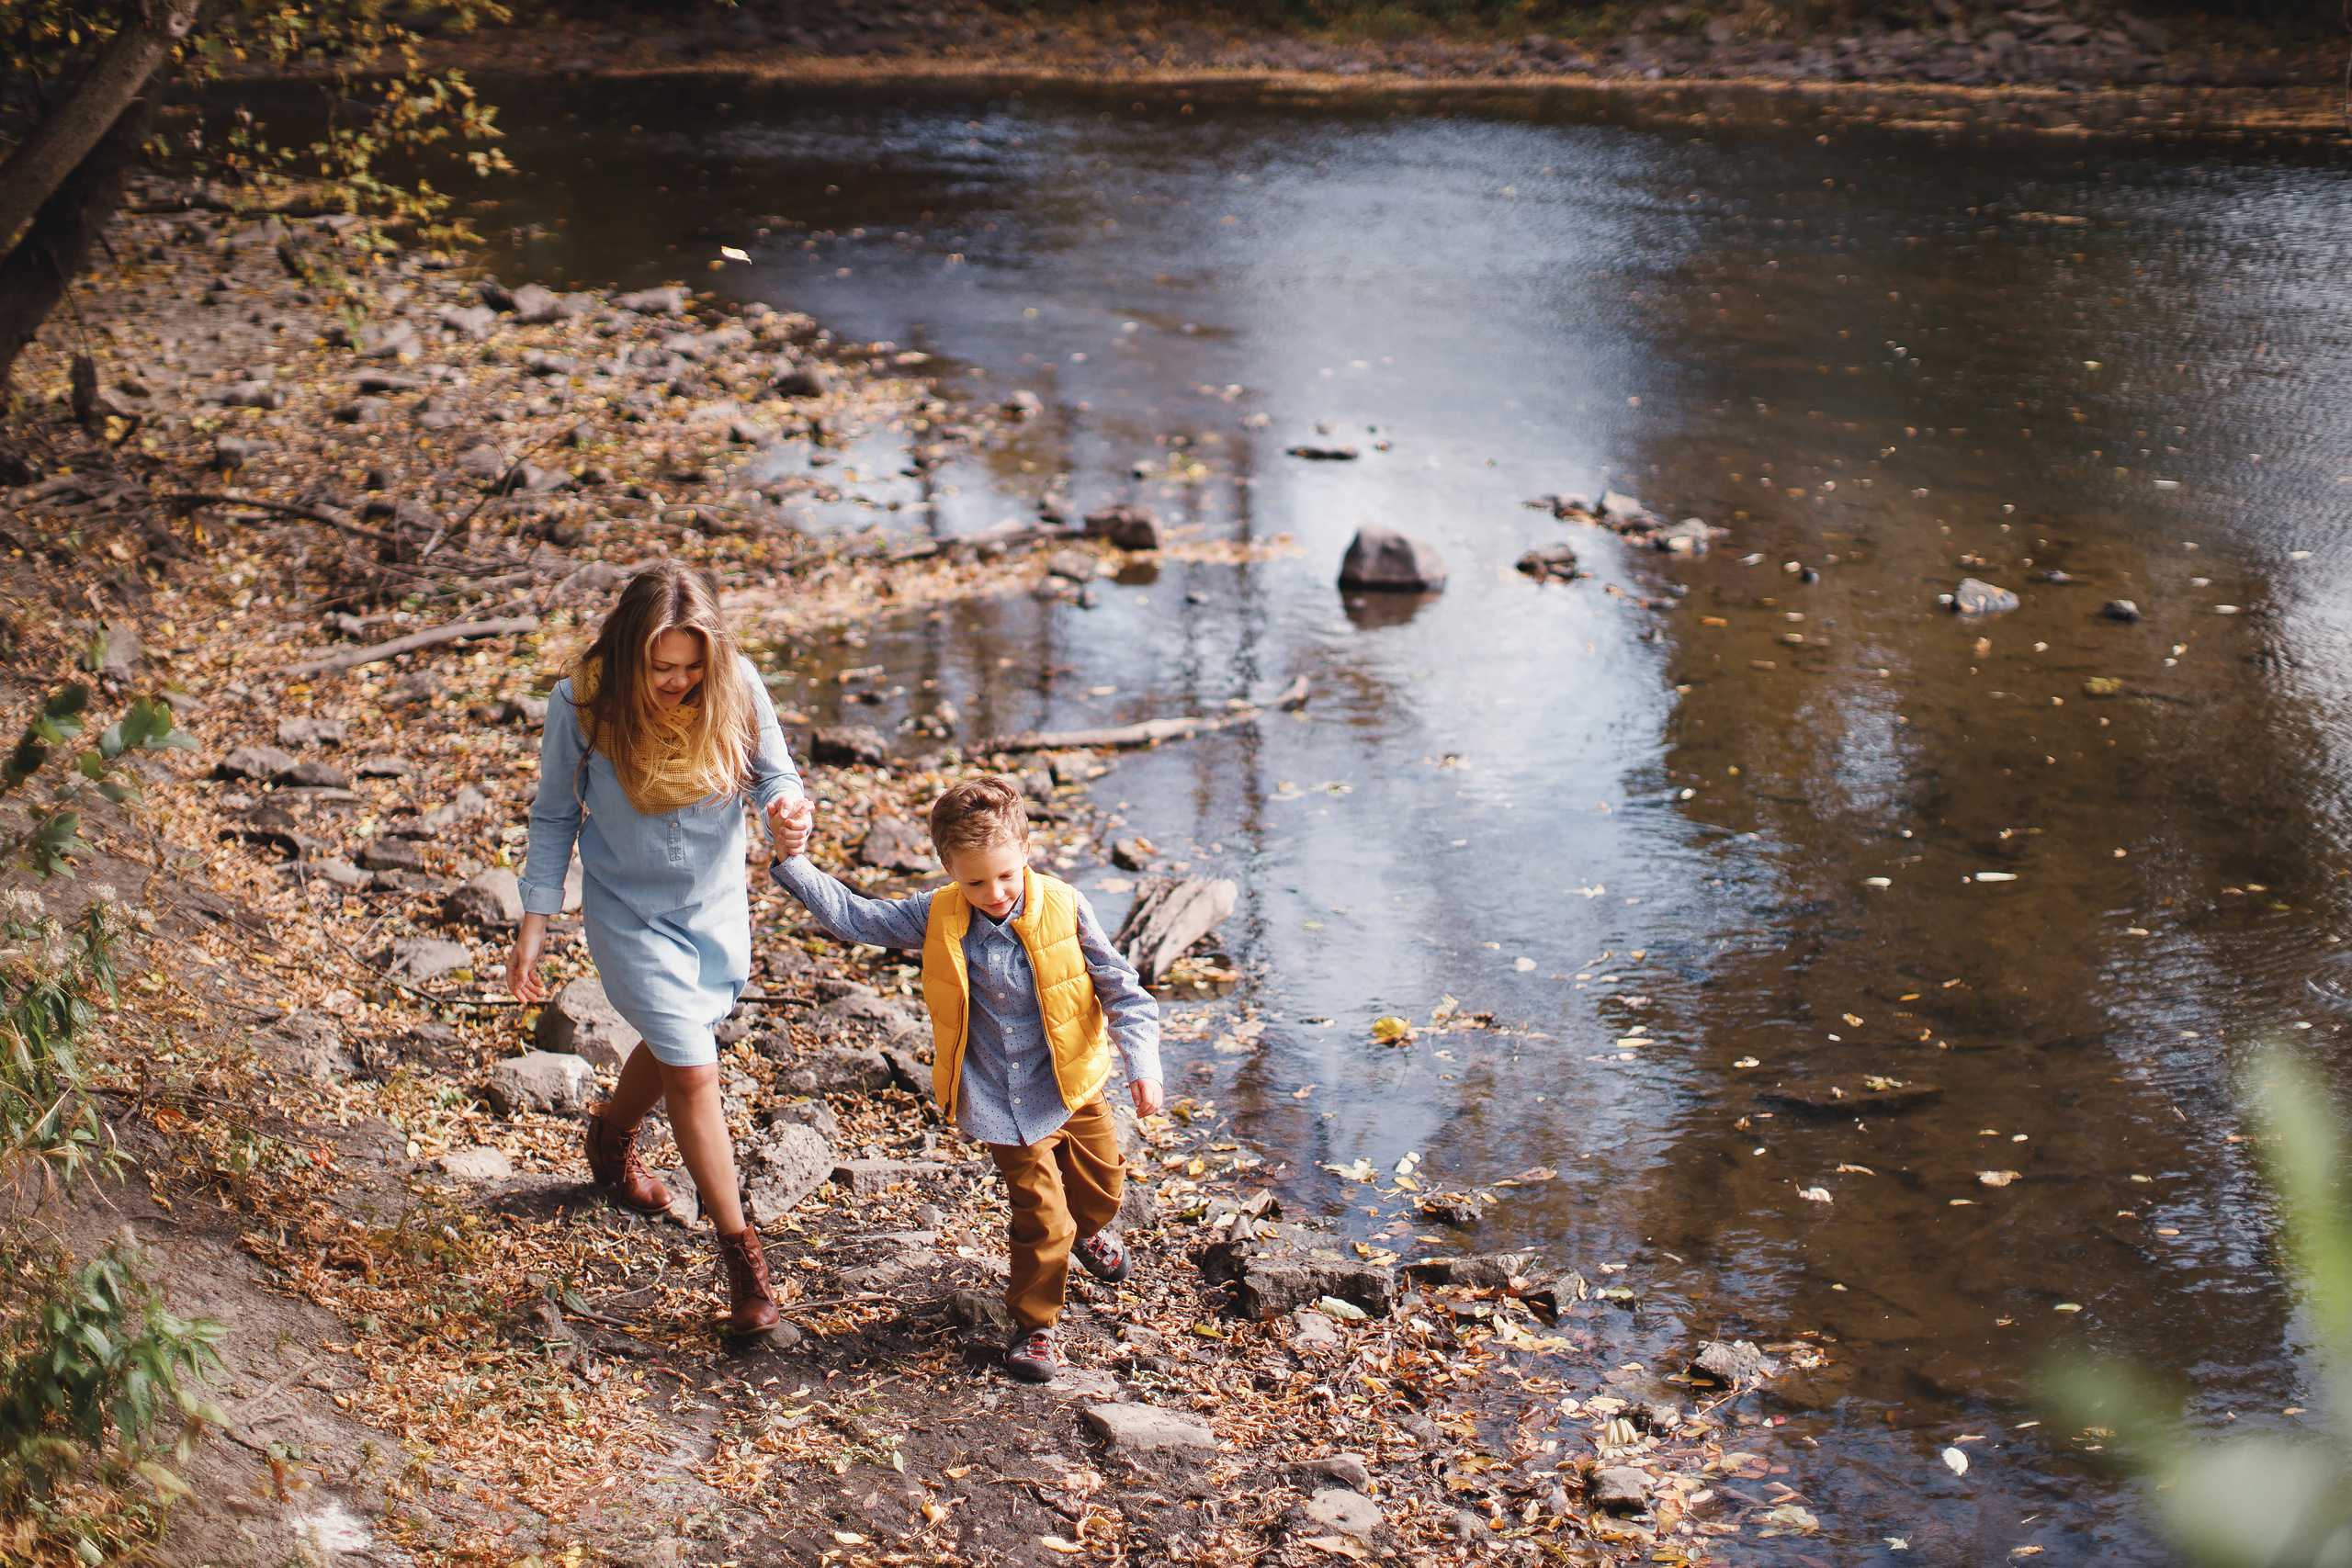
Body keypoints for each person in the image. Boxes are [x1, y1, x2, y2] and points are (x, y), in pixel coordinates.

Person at [769, 775, 1162, 1382]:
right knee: (1041, 1216)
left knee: (1104, 1188)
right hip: (999, 1097)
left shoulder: (1066, 907)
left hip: (1072, 1084)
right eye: (975, 882)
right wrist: (793, 861)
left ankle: (1087, 1232)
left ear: (1026, 850)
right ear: (948, 868)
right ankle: (1036, 1327)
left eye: (1005, 875)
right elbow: (855, 917)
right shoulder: (938, 914)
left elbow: (1122, 991)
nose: (994, 893)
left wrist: (1143, 1063)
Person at [506, 560, 802, 1335]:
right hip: (628, 910)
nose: (677, 682)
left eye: (690, 667)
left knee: (684, 1040)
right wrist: (535, 922)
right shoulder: (582, 700)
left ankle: (611, 1135)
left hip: (713, 908)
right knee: (695, 1068)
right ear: (628, 651)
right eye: (660, 667)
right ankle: (743, 1259)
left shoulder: (737, 685)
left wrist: (786, 809)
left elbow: (775, 775)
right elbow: (553, 815)